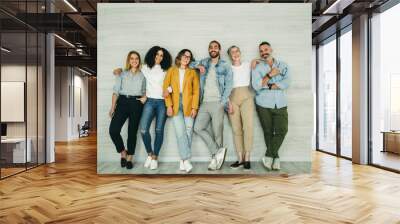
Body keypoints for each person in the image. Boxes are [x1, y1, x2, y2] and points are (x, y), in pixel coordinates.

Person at [114, 46, 172, 170]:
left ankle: (155, 157)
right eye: (157, 54)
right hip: (149, 101)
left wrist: (169, 90)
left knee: (158, 130)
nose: (159, 57)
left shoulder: (167, 69)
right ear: (152, 55)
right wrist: (118, 70)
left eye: (161, 55)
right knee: (143, 130)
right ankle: (150, 154)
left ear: (164, 57)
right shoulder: (145, 67)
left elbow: (174, 84)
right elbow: (131, 67)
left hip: (162, 102)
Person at [191, 40, 233, 171]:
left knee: (217, 132)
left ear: (219, 50)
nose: (213, 49)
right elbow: (190, 63)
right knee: (197, 128)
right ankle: (217, 152)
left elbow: (229, 85)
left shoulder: (225, 65)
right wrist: (198, 66)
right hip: (204, 102)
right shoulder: (204, 62)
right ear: (209, 50)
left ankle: (216, 159)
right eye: (211, 47)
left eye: (215, 47)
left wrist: (223, 102)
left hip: (217, 102)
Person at [251, 41, 290, 171]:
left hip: (280, 103)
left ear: (271, 49)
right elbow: (256, 86)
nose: (264, 52)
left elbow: (287, 82)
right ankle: (275, 158)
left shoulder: (283, 65)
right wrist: (270, 75)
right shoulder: (257, 67)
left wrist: (268, 85)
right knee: (268, 132)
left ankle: (268, 155)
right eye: (261, 51)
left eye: (266, 49)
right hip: (263, 103)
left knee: (282, 130)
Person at [163, 49, 200, 173]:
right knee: (180, 132)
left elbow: (196, 92)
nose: (186, 58)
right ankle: (186, 159)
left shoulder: (192, 72)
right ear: (179, 57)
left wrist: (195, 107)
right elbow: (165, 88)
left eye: (189, 57)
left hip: (188, 104)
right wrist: (168, 105)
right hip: (175, 103)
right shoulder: (171, 70)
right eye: (184, 56)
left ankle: (183, 160)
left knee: (188, 132)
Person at [109, 50, 146, 169]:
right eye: (132, 58)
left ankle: (130, 157)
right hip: (122, 102)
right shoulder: (122, 74)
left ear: (139, 61)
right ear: (128, 61)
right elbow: (116, 91)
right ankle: (123, 152)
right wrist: (112, 107)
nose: (134, 60)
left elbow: (146, 90)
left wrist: (145, 97)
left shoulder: (143, 75)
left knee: (132, 132)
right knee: (113, 130)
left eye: (136, 58)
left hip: (136, 103)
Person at [226, 45, 255, 170]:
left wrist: (256, 61)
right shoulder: (227, 69)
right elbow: (223, 86)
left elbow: (261, 64)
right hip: (232, 98)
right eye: (232, 52)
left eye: (237, 50)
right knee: (236, 129)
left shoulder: (248, 65)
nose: (235, 53)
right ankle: (240, 159)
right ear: (229, 55)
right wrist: (228, 102)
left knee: (248, 127)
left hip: (246, 97)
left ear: (240, 52)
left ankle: (247, 157)